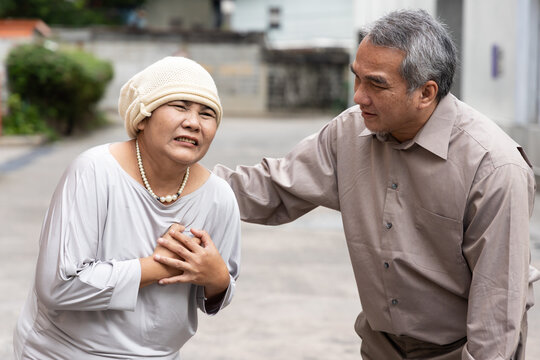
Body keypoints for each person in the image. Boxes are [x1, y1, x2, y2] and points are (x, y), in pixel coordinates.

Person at [210, 9, 539, 360]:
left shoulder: (493, 168)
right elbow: (272, 188)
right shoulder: (349, 132)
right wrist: (179, 184)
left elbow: (497, 307)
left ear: (426, 93)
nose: (358, 97)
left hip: (459, 351)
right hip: (381, 347)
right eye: (357, 78)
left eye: (376, 84)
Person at [13, 56, 241, 359]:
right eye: (180, 106)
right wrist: (164, 263)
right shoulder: (94, 171)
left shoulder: (219, 197)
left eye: (207, 113)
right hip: (62, 352)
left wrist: (217, 277)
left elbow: (217, 294)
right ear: (143, 117)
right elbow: (58, 285)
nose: (193, 122)